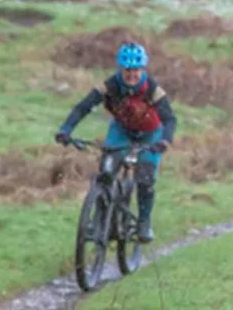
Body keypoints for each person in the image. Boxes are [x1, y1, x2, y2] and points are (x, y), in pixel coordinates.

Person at [56, 41, 177, 242]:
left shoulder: (153, 90)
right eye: (127, 70)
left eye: (136, 70)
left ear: (142, 69)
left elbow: (170, 119)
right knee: (106, 172)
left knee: (146, 177)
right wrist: (66, 130)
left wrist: (165, 140)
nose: (131, 75)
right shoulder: (109, 86)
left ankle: (144, 223)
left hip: (150, 134)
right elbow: (82, 108)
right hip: (121, 131)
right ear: (120, 69)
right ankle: (99, 221)